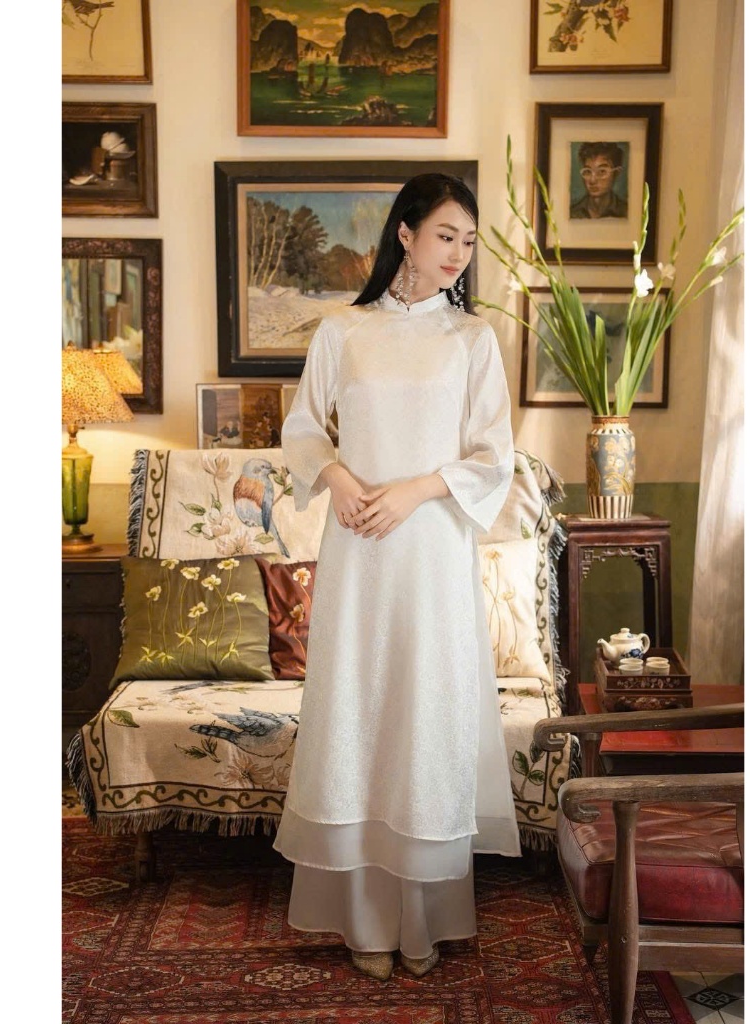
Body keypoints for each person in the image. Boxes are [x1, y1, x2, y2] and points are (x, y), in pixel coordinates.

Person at [272, 174, 521, 982]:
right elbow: (304, 430)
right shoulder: (343, 332)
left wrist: (416, 490)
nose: (459, 253)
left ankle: (424, 922)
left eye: (469, 241)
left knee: (425, 718)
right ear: (405, 234)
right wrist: (340, 479)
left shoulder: (472, 340)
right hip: (360, 553)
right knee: (362, 717)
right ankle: (365, 923)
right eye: (446, 235)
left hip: (434, 555)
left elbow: (495, 456)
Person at [569, 141, 628, 219]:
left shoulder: (626, 212)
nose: (592, 180)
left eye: (602, 171)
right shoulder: (572, 213)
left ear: (616, 173)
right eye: (588, 171)